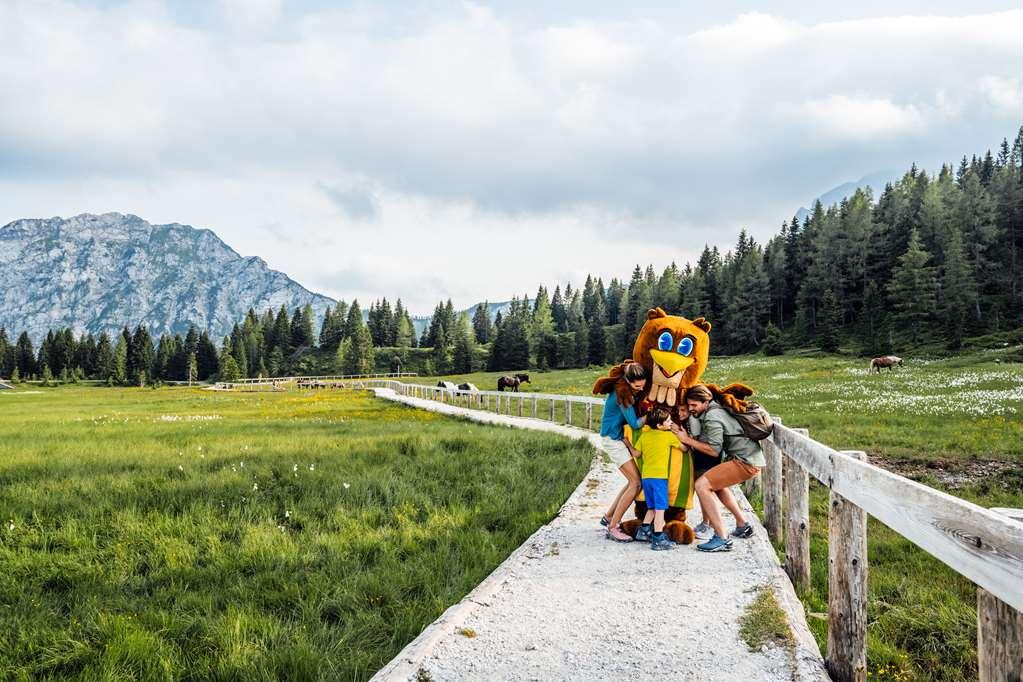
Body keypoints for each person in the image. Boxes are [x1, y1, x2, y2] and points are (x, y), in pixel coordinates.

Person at [675, 384, 765, 552]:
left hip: (745, 462)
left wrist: (687, 440)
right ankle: (742, 525)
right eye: (689, 405)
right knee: (717, 487)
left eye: (694, 405)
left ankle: (722, 537)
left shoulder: (712, 416)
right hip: (750, 459)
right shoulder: (715, 409)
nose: (691, 409)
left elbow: (713, 450)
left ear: (705, 401)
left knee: (702, 485)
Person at [592, 361, 647, 542]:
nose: (640, 389)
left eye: (643, 385)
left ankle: (608, 516)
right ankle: (613, 527)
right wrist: (653, 413)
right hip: (612, 440)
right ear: (628, 382)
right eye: (637, 386)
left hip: (616, 438)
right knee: (636, 483)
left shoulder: (624, 388)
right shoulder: (622, 395)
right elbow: (635, 423)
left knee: (633, 481)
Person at [632, 406, 680, 550]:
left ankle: (644, 531)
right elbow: (683, 448)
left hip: (646, 478)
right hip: (659, 478)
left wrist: (628, 444)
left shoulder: (644, 436)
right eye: (668, 421)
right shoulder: (668, 436)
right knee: (660, 509)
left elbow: (636, 454)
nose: (670, 422)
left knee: (651, 507)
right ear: (659, 425)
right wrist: (679, 435)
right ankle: (658, 538)